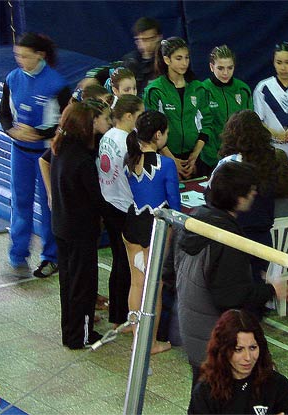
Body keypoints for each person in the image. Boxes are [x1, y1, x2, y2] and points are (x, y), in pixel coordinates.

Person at [173, 161, 287, 387]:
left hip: (192, 326)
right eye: (250, 190)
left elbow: (172, 270)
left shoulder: (195, 219)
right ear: (239, 197)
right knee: (220, 397)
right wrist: (271, 289)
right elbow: (230, 296)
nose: (254, 194)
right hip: (215, 337)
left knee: (203, 395)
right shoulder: (226, 239)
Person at [0, 32, 71, 277]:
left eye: (25, 56)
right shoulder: (12, 78)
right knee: (20, 202)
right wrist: (12, 132)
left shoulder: (57, 85)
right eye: (17, 55)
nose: (20, 60)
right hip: (20, 153)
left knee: (49, 204)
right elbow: (4, 115)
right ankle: (18, 254)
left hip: (48, 155)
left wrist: (39, 134)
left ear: (40, 55)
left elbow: (66, 122)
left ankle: (50, 257)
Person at [123, 110, 180, 354]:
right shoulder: (165, 164)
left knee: (137, 283)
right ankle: (151, 343)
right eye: (166, 133)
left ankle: (138, 337)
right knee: (153, 286)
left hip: (132, 223)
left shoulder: (130, 157)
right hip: (154, 228)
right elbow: (174, 204)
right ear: (158, 135)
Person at [50, 102, 106, 349]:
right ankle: (81, 336)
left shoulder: (60, 149)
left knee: (68, 283)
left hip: (62, 226)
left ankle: (69, 332)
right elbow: (96, 198)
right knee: (83, 285)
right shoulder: (83, 160)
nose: (96, 125)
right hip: (81, 231)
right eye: (93, 121)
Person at [218, 110, 288, 282]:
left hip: (236, 237)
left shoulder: (230, 164)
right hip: (264, 237)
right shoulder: (272, 159)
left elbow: (213, 198)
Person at [189, 309, 288, 414]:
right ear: (223, 350)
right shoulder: (205, 393)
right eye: (238, 350)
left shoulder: (277, 385)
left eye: (253, 348)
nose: (248, 357)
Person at [97, 94, 144, 327]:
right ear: (128, 116)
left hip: (109, 201)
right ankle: (123, 315)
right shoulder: (128, 141)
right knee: (127, 264)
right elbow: (137, 175)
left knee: (118, 261)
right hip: (125, 207)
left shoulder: (106, 136)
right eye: (139, 115)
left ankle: (117, 315)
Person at [143, 37, 213, 178]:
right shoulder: (155, 90)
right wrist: (172, 160)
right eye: (179, 58)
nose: (184, 63)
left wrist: (194, 156)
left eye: (186, 58)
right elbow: (152, 128)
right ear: (167, 60)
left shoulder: (198, 88)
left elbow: (207, 123)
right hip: (165, 156)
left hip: (193, 158)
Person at [201, 45, 253, 170]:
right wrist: (213, 157)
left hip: (239, 158)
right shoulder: (202, 90)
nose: (225, 73)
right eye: (220, 68)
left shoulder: (243, 89)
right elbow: (202, 127)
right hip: (210, 159)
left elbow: (249, 125)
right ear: (211, 67)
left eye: (230, 68)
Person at [122, 17, 163, 96]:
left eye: (151, 39)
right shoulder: (130, 61)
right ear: (137, 41)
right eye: (143, 40)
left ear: (159, 37)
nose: (148, 44)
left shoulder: (168, 60)